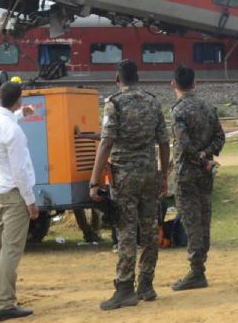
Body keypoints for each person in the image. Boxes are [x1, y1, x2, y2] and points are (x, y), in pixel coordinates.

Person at [89, 60, 170, 311]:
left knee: (126, 230)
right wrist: (164, 174)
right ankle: (146, 285)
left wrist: (94, 180)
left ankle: (125, 288)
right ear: (138, 78)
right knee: (149, 229)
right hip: (149, 174)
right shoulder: (152, 101)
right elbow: (164, 142)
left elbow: (106, 142)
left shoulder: (114, 104)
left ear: (117, 79)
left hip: (124, 176)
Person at [0, 82, 39, 320]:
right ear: (19, 100)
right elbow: (20, 171)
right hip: (15, 192)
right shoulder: (13, 131)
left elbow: (7, 122)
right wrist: (30, 201)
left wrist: (19, 115)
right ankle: (5, 303)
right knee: (11, 249)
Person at [169, 65, 225, 291]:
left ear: (174, 84)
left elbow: (183, 146)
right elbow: (220, 137)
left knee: (191, 221)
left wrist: (200, 159)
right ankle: (200, 266)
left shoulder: (178, 111)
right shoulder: (208, 107)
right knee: (204, 218)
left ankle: (196, 271)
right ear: (195, 83)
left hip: (186, 175)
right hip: (205, 173)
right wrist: (206, 157)